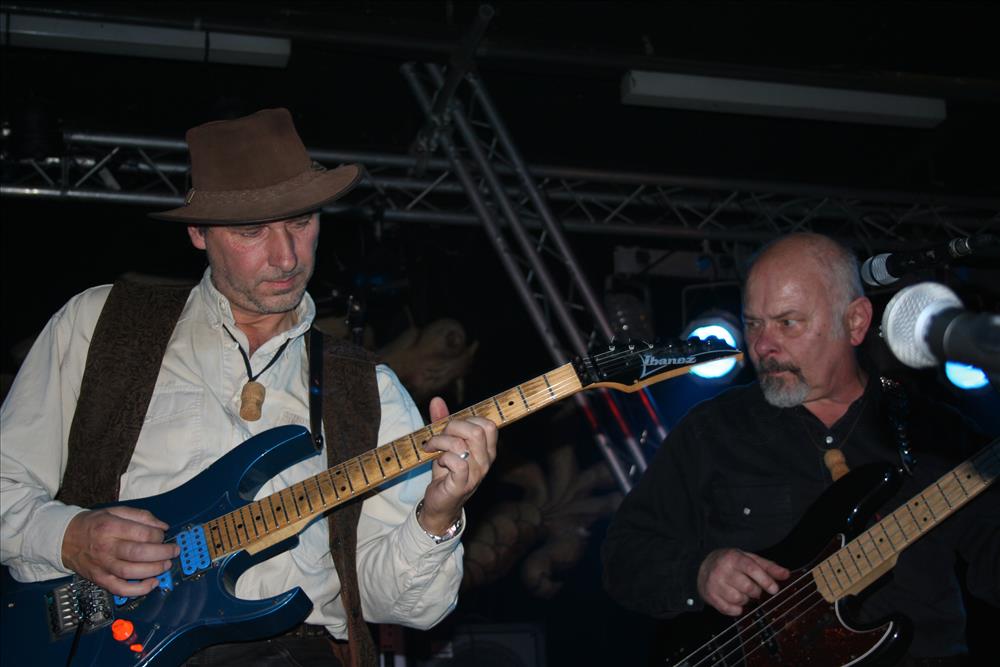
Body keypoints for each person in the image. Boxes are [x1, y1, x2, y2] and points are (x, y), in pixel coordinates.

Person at [0, 108, 498, 666]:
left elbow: (402, 607)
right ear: (198, 232)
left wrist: (437, 517)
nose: (286, 257)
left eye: (301, 222)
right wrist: (67, 536)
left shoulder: (367, 388)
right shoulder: (101, 325)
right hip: (101, 646)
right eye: (252, 231)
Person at [602, 233, 999, 666]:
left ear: (855, 322)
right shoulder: (713, 430)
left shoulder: (939, 433)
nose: (762, 345)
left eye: (787, 322)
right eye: (753, 323)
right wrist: (699, 572)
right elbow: (624, 556)